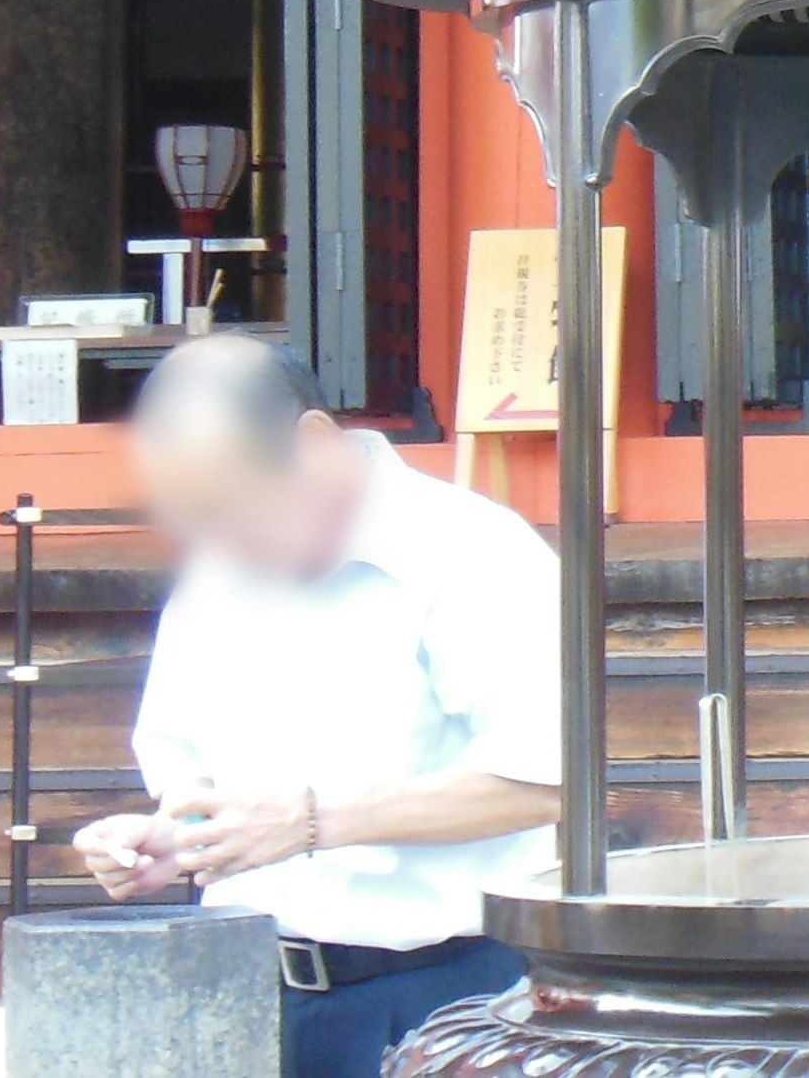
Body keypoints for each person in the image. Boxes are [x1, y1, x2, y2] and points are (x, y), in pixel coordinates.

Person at [74, 337, 562, 1078]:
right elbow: (192, 773)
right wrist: (170, 840)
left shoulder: (473, 551)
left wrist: (311, 821)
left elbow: (547, 781)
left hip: (446, 990)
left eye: (237, 509)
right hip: (248, 989)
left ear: (315, 443)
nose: (221, 540)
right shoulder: (216, 564)